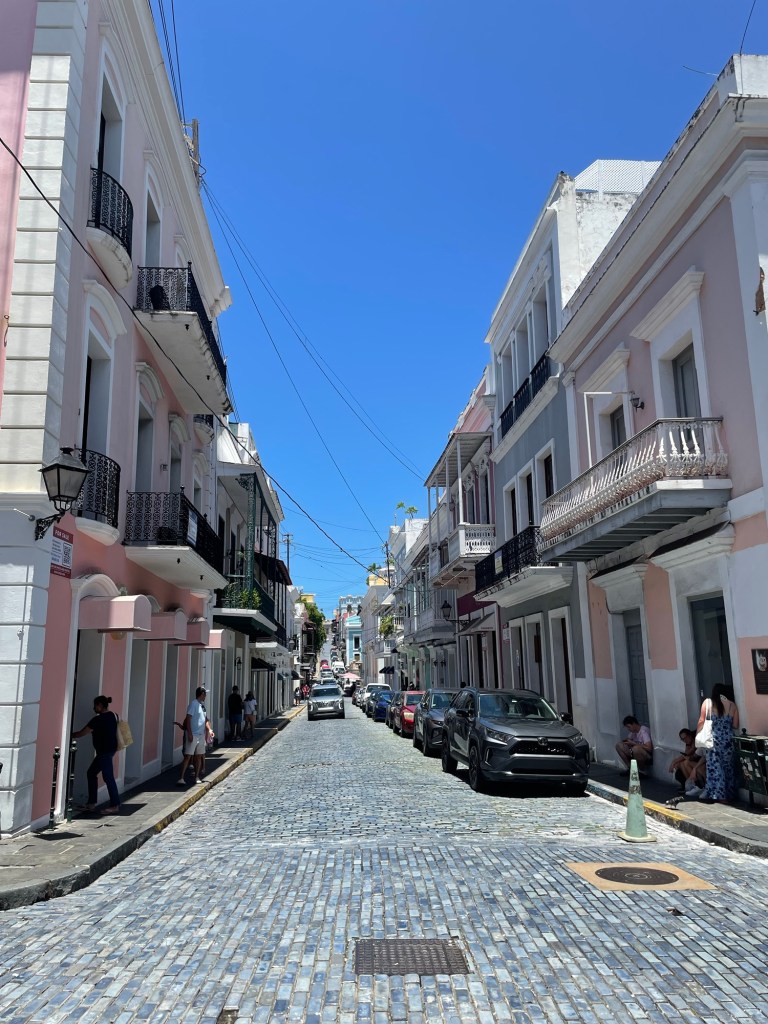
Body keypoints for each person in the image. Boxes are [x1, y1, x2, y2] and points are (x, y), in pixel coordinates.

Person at [73, 694, 120, 815]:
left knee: (108, 777)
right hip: (109, 750)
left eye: (95, 706)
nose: (94, 708)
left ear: (100, 705)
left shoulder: (97, 720)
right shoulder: (113, 715)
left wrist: (70, 735)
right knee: (91, 773)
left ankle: (115, 805)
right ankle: (91, 803)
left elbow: (82, 733)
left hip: (104, 752)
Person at [696, 683, 739, 803]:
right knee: (728, 767)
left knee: (715, 768)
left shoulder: (707, 703)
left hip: (713, 741)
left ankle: (719, 795)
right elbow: (735, 725)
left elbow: (701, 720)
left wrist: (698, 734)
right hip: (728, 741)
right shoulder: (732, 705)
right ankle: (729, 794)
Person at [177, 686, 210, 786]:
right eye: (205, 694)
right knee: (188, 756)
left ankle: (197, 777)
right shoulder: (193, 704)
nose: (206, 696)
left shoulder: (202, 706)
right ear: (202, 694)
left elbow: (206, 720)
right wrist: (190, 733)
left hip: (201, 735)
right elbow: (188, 718)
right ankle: (181, 778)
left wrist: (209, 730)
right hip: (194, 734)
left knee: (199, 756)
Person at [668, 728, 705, 795]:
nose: (685, 740)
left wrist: (674, 761)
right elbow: (686, 754)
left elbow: (691, 755)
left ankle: (697, 786)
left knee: (686, 763)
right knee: (680, 764)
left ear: (690, 735)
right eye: (683, 739)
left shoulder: (697, 742)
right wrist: (675, 762)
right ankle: (689, 786)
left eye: (686, 738)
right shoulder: (688, 743)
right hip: (697, 762)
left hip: (702, 764)